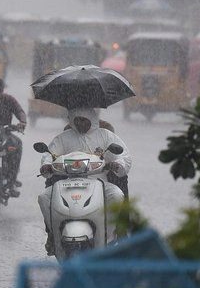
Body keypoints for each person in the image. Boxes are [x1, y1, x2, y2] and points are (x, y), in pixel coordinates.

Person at [38, 107, 131, 255]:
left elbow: (123, 156)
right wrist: (46, 165)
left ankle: (109, 236)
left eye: (84, 120)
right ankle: (53, 235)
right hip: (67, 184)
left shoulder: (106, 135)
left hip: (100, 183)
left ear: (92, 120)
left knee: (117, 196)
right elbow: (50, 154)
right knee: (44, 198)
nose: (80, 123)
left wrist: (117, 164)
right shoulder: (64, 137)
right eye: (77, 120)